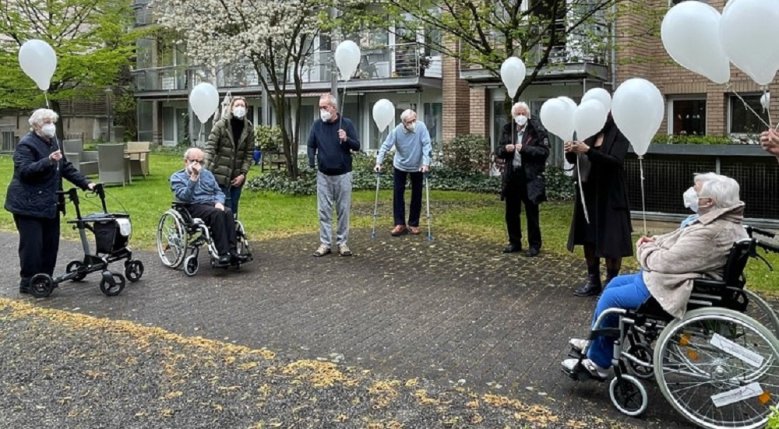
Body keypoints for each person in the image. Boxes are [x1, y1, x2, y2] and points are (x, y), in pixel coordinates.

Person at [561, 174, 748, 379]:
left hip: (672, 285)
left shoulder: (709, 232)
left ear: (710, 201)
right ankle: (596, 342)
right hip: (675, 278)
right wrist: (655, 241)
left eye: (696, 190)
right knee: (614, 283)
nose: (692, 193)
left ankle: (598, 363)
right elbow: (676, 242)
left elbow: (665, 262)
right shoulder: (719, 222)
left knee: (611, 299)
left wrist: (645, 250)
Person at [4, 108, 95, 294]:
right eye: (47, 122)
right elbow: (25, 171)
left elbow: (65, 167)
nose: (50, 126)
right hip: (27, 204)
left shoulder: (54, 142)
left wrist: (86, 183)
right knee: (32, 245)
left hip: (50, 202)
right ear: (36, 125)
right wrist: (48, 161)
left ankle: (45, 278)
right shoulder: (25, 145)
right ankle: (28, 281)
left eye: (52, 122)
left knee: (50, 243)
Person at [564, 113, 633, 297]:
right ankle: (593, 280)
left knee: (612, 238)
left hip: (610, 194)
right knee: (589, 237)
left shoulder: (620, 132)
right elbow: (577, 161)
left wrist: (588, 150)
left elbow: (615, 161)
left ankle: (611, 283)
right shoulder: (589, 132)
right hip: (588, 193)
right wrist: (570, 151)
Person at [170, 147, 245, 266]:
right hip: (192, 206)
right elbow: (185, 197)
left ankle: (233, 251)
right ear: (186, 161)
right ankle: (223, 253)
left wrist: (219, 202)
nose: (197, 164)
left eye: (200, 162)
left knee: (228, 211)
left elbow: (218, 191)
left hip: (211, 204)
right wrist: (193, 178)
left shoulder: (208, 174)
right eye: (193, 161)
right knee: (217, 213)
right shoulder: (177, 177)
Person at [307, 93, 361, 257]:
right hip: (323, 174)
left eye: (325, 107)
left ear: (333, 108)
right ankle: (325, 243)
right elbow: (311, 145)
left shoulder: (346, 123)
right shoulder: (317, 126)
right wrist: (311, 161)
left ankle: (342, 242)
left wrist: (346, 139)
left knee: (343, 209)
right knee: (324, 210)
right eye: (320, 107)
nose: (322, 110)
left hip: (343, 174)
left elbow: (357, 146)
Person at [495, 101, 550, 257]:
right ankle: (514, 242)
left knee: (532, 213)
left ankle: (534, 245)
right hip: (512, 175)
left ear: (528, 115)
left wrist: (525, 149)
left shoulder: (537, 130)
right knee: (511, 212)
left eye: (523, 114)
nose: (520, 117)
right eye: (517, 114)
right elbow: (498, 150)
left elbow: (544, 152)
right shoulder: (508, 129)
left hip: (530, 177)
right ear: (513, 116)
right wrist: (505, 149)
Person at [374, 109, 432, 236]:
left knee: (417, 195)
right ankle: (399, 224)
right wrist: (379, 163)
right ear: (404, 123)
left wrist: (426, 163)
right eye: (410, 122)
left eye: (414, 120)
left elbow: (427, 145)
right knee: (398, 194)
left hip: (417, 166)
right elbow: (385, 146)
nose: (413, 123)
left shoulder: (421, 127)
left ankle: (413, 224)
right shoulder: (396, 131)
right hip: (400, 165)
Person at [204, 96, 255, 215]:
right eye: (237, 105)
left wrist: (243, 174)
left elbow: (249, 153)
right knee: (225, 207)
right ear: (231, 108)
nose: (240, 108)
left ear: (247, 110)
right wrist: (204, 169)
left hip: (237, 177)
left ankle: (232, 231)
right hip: (219, 175)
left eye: (242, 106)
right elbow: (210, 147)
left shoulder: (249, 129)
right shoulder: (221, 125)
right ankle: (224, 231)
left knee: (234, 208)